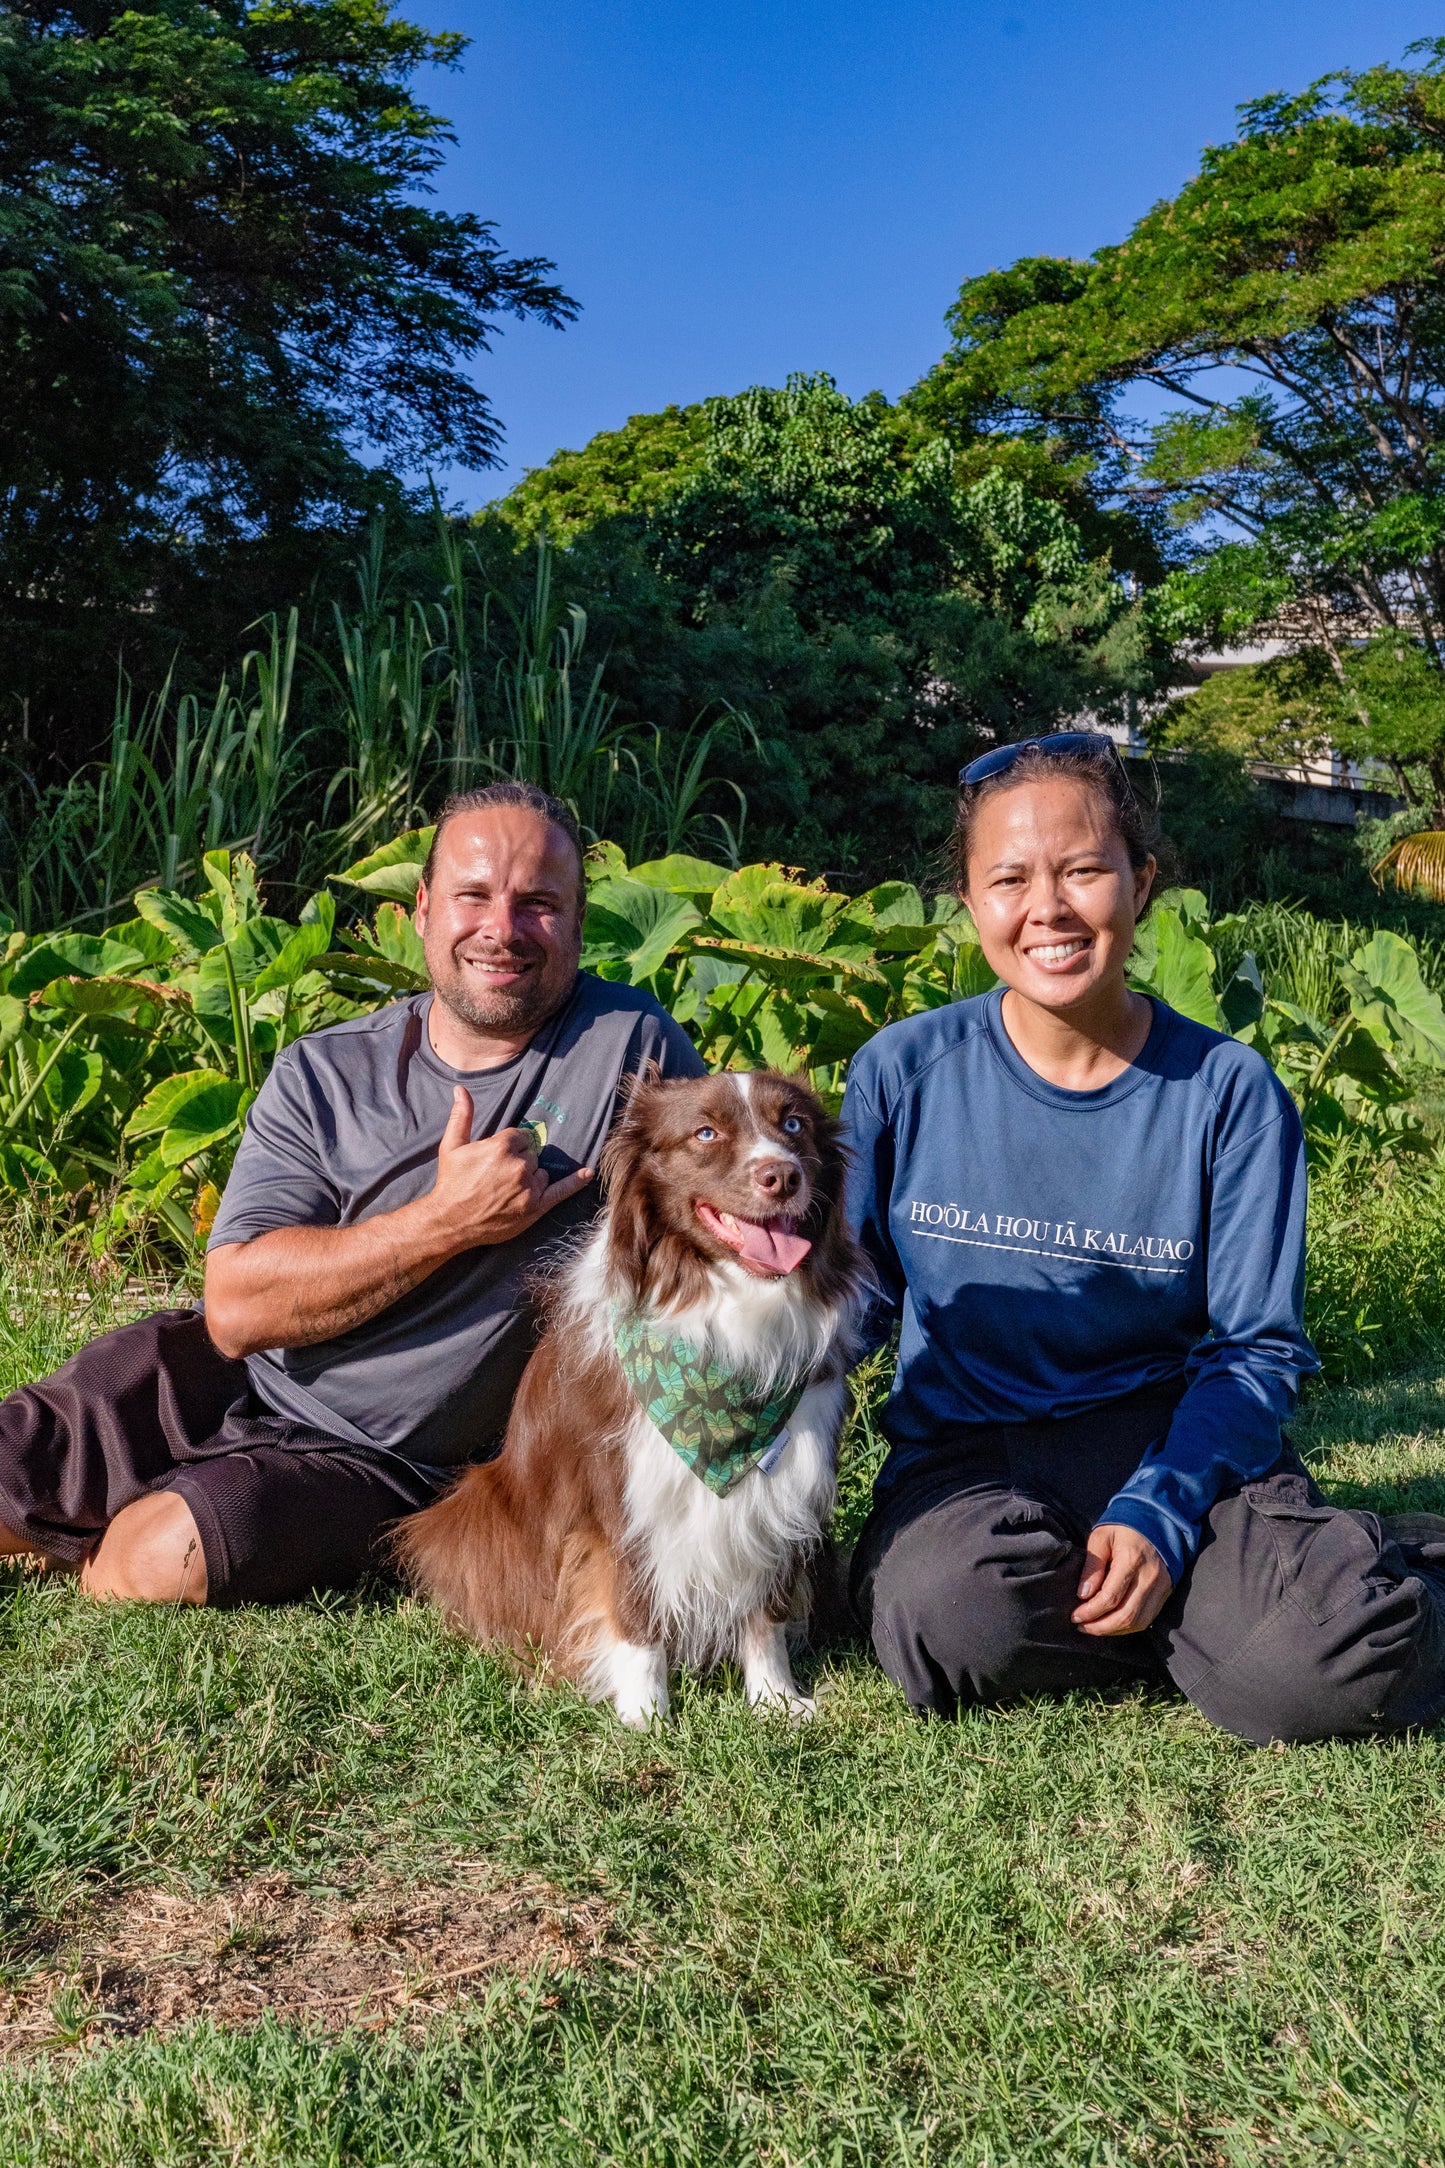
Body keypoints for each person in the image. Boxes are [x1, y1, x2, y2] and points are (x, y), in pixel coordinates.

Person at [842, 733, 1445, 1745]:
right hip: (970, 1454)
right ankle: (1229, 1613)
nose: (1048, 908)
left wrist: (1161, 1510)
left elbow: (1256, 1349)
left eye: (1082, 868)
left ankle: (1332, 1590)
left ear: (1141, 880)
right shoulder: (903, 1072)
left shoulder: (1224, 1091)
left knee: (1311, 1678)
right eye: (1008, 879)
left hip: (1175, 1448)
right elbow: (846, 1296)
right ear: (967, 902)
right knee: (946, 1624)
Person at [0, 782, 703, 1607]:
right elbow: (234, 1309)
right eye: (473, 895)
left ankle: (73, 1543)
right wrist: (444, 1223)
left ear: (579, 922)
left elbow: (712, 1238)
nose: (501, 930)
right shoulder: (325, 1070)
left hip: (394, 1462)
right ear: (423, 909)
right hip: (234, 1375)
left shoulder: (631, 1052)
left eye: (538, 904)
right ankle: (54, 1520)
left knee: (159, 1557)